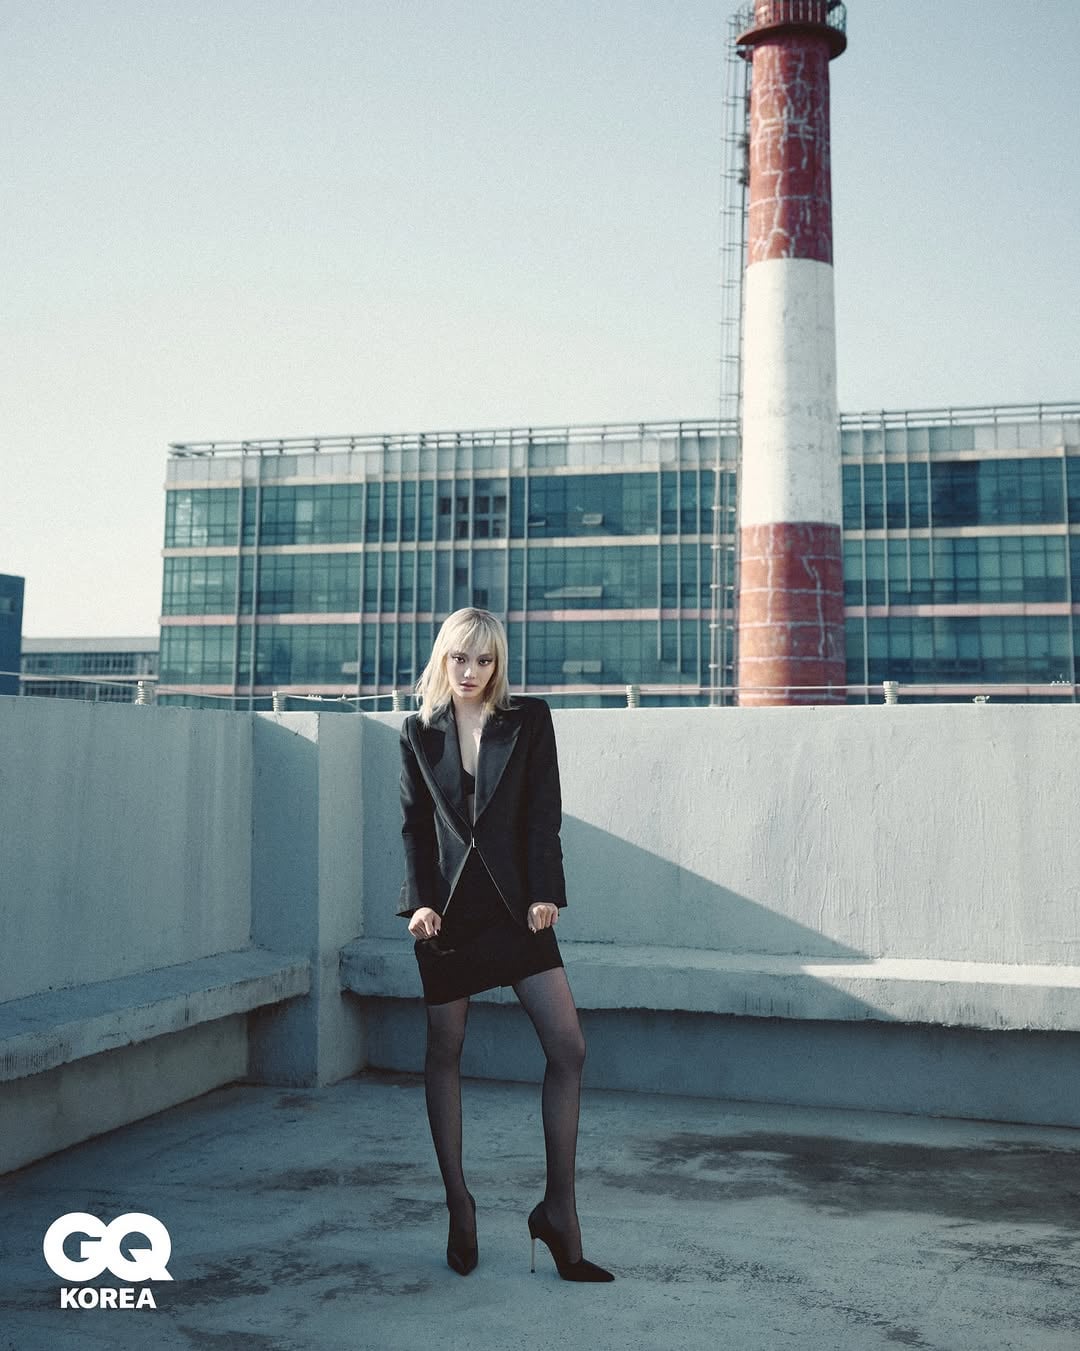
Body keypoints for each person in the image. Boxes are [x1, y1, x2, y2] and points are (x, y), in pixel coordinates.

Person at [397, 607, 614, 1283]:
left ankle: (559, 1210)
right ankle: (459, 1206)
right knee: (444, 1050)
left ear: (499, 664)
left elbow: (544, 814)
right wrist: (420, 902)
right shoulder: (417, 731)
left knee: (568, 1048)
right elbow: (415, 827)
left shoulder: (529, 719)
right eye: (460, 658)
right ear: (443, 659)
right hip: (447, 918)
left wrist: (545, 892)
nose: (471, 671)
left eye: (484, 660)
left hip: (519, 911)